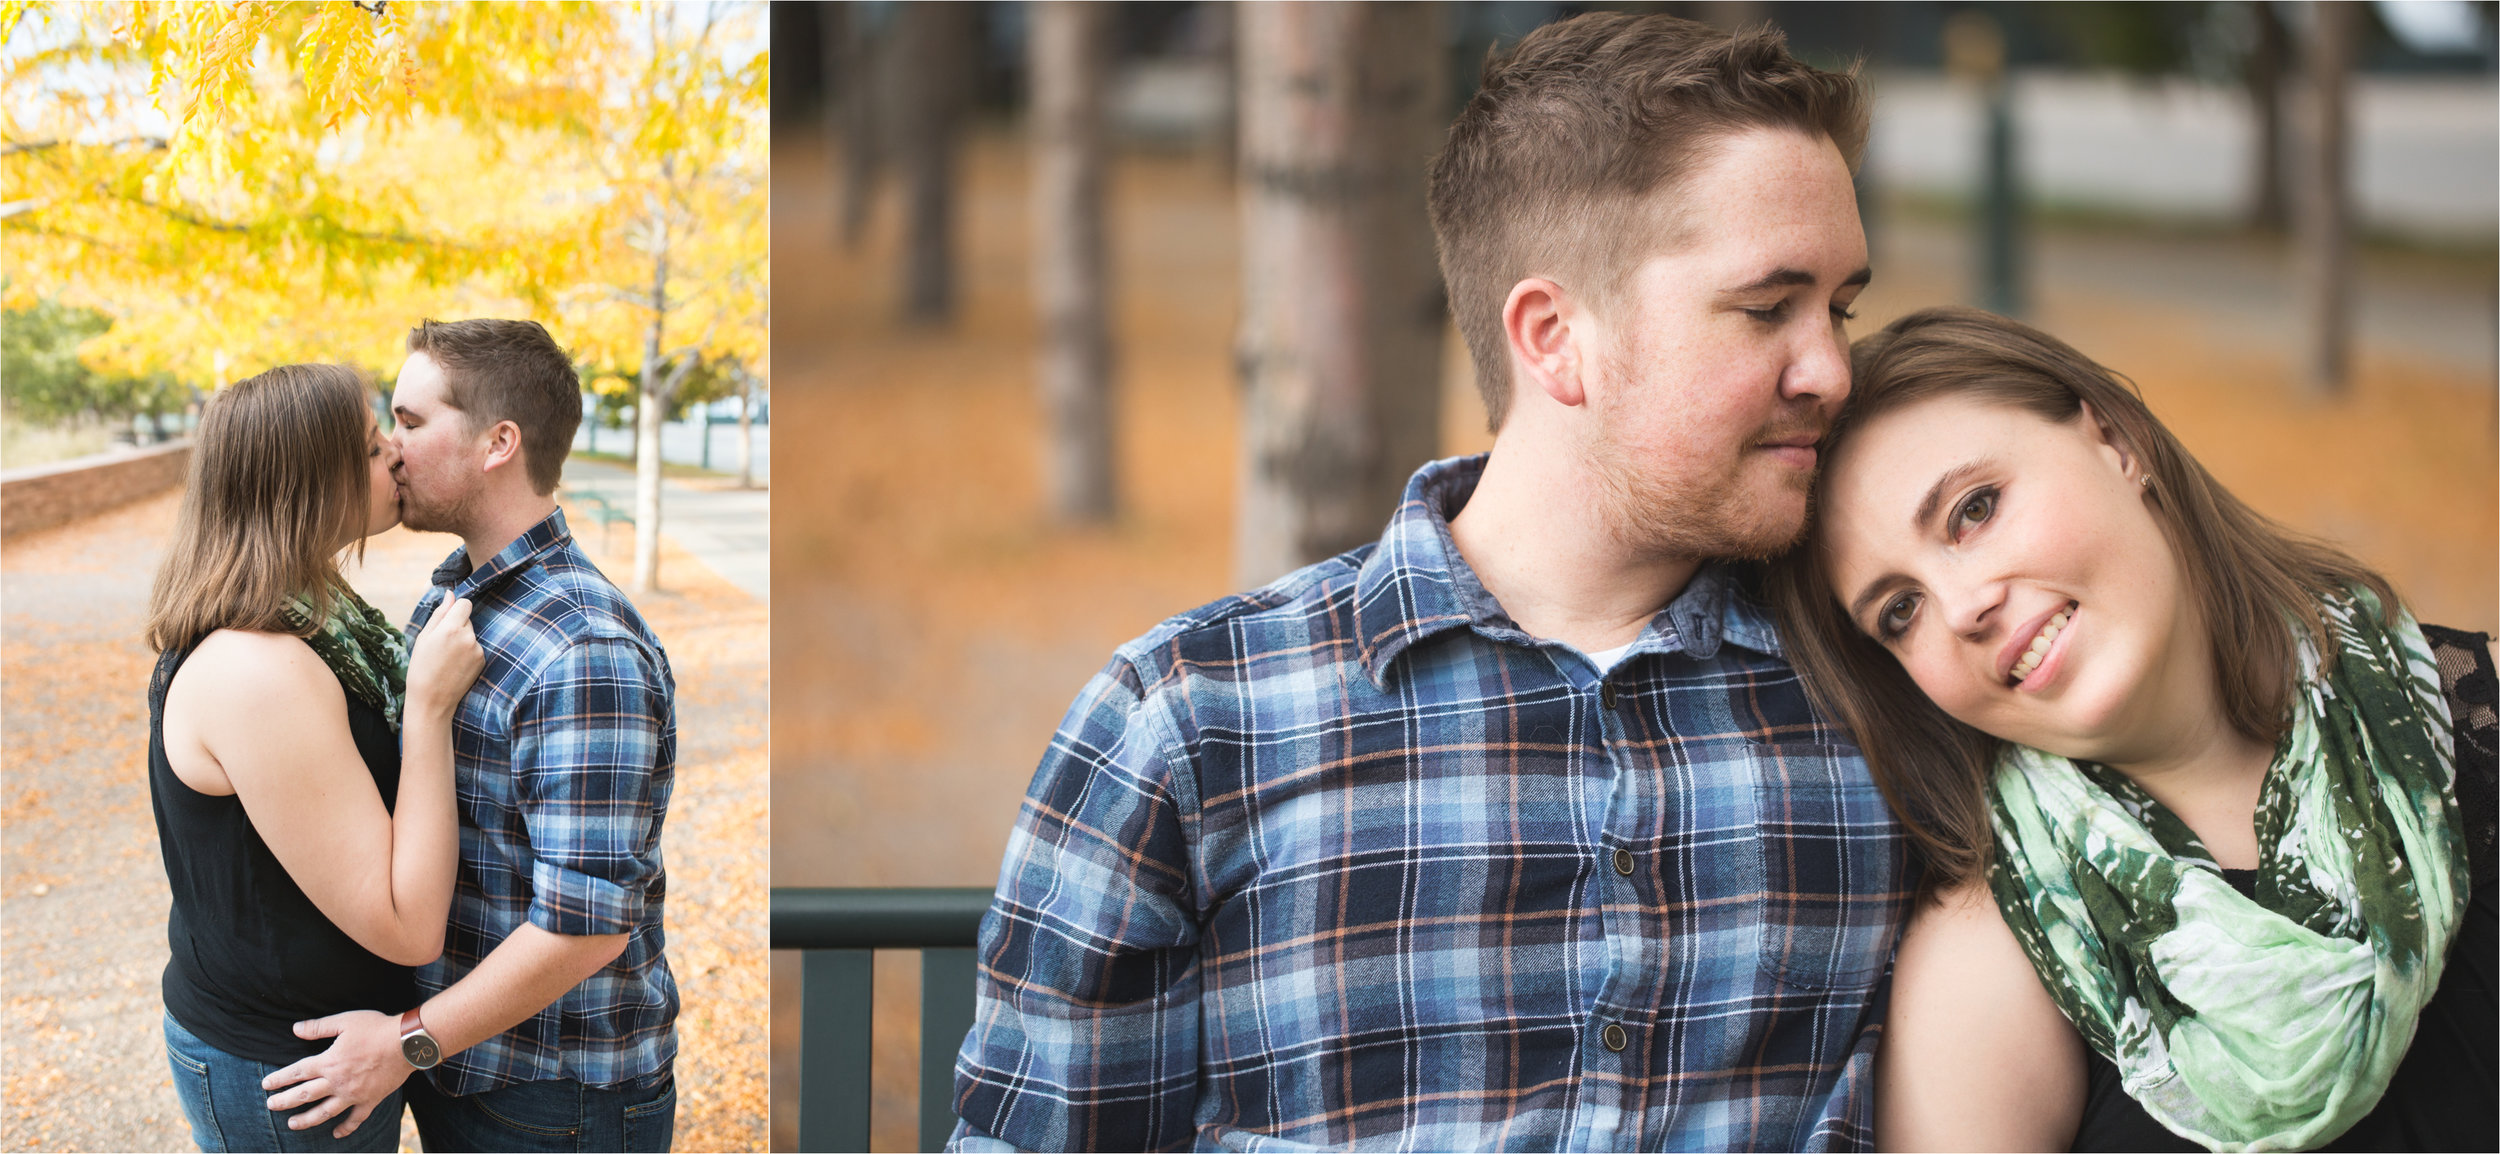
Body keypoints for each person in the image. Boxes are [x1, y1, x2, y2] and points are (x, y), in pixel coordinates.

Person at [951, 14, 1910, 1151]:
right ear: (1555, 338)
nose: (1831, 371)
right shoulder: (1192, 720)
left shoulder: (1887, 703)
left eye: (1840, 310)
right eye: (1769, 308)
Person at [1765, 306, 2496, 1151]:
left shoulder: (2472, 722)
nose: (1962, 608)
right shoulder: (1992, 962)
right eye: (1900, 610)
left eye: (1974, 509)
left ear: (2117, 441)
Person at [257, 318, 681, 1152]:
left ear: (498, 443)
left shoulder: (582, 649)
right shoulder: (456, 596)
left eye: (410, 423)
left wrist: (407, 1040)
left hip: (557, 1099)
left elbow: (586, 925)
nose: (389, 452)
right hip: (465, 1066)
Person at [147, 363, 484, 1152]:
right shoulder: (259, 668)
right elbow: (406, 927)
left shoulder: (314, 613)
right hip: (290, 1075)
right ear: (308, 484)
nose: (396, 457)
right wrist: (430, 708)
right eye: (371, 449)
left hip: (329, 1053)